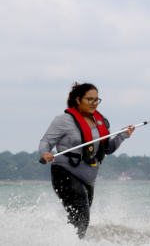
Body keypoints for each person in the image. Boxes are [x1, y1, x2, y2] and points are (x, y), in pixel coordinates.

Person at [38, 82, 134, 239]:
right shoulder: (63, 120)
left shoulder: (101, 121)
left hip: (88, 178)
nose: (94, 103)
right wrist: (45, 152)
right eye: (90, 99)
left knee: (79, 220)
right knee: (82, 217)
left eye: (97, 99)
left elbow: (108, 149)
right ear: (78, 100)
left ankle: (59, 241)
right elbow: (46, 141)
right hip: (65, 172)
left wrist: (122, 135)